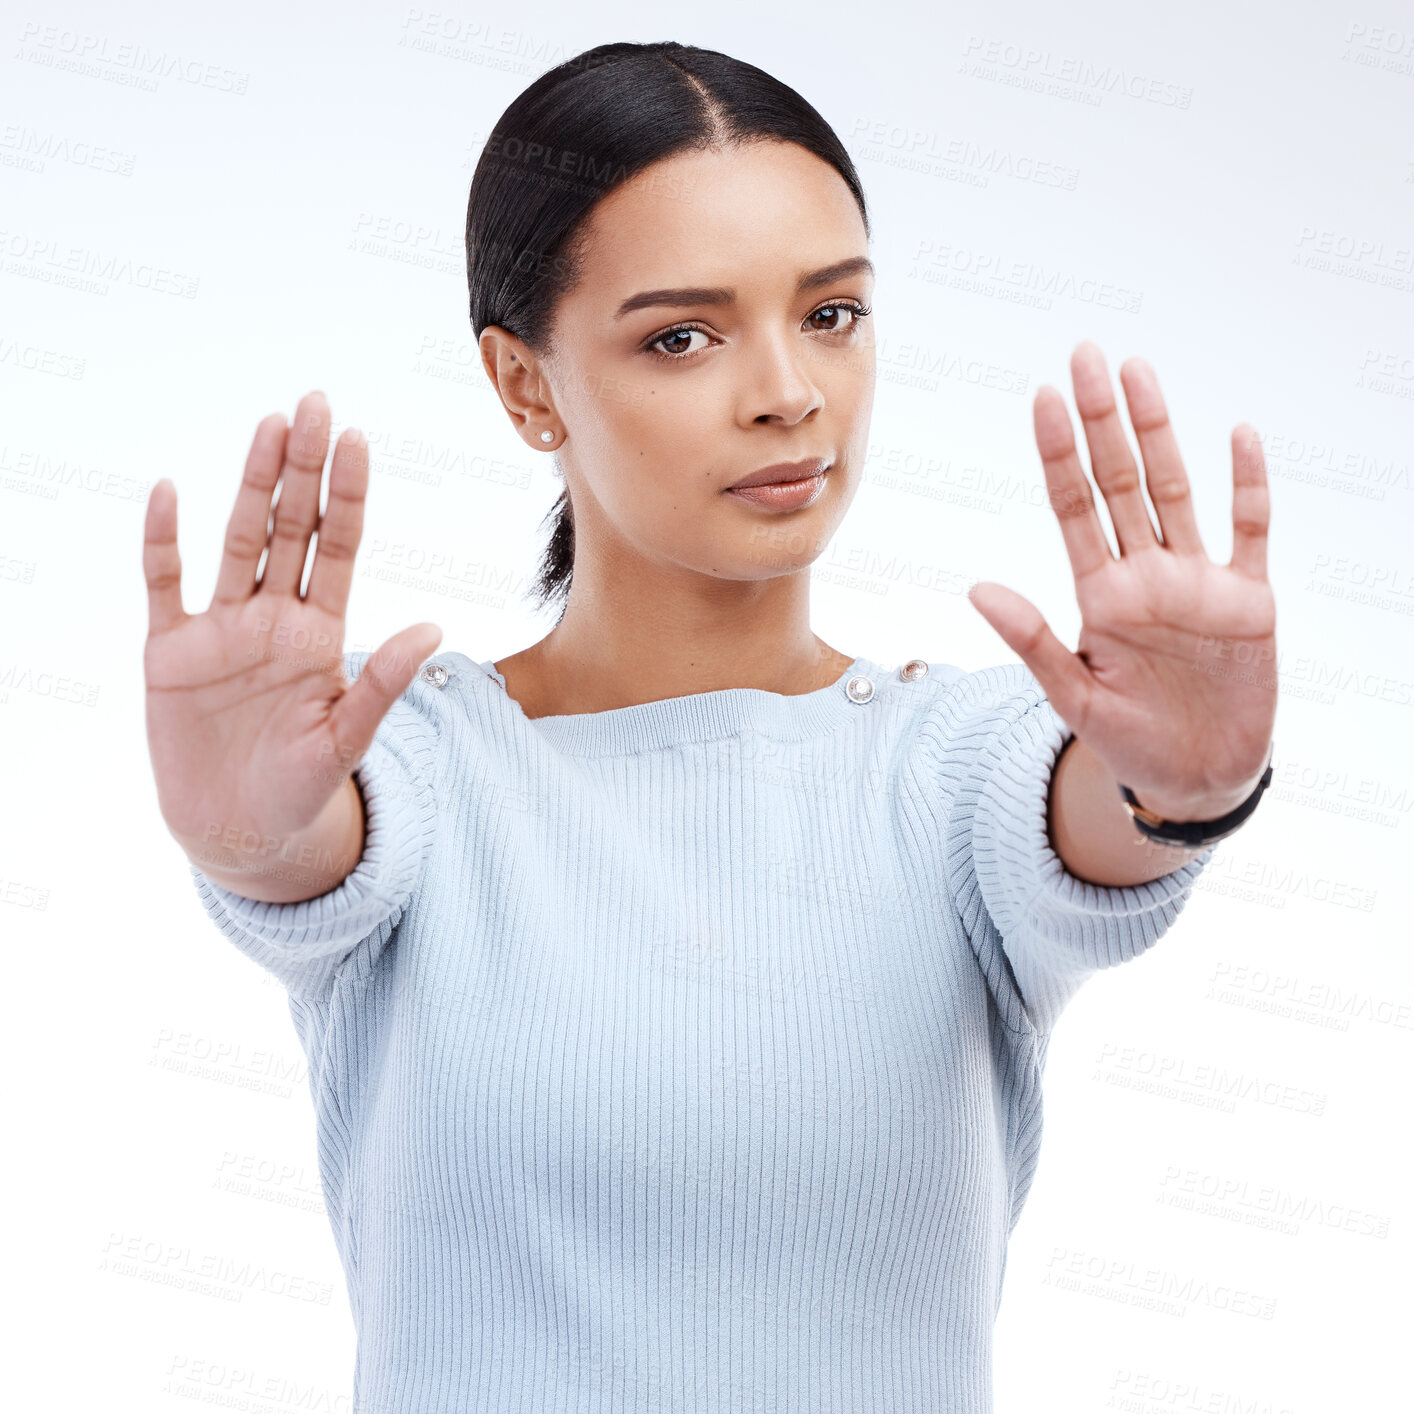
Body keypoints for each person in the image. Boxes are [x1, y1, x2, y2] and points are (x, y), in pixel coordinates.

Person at [142, 39, 1277, 1414]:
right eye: (680, 334)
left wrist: (1184, 789)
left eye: (831, 314)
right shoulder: (415, 763)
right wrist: (249, 840)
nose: (787, 392)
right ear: (524, 385)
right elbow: (310, 850)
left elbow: (1095, 820)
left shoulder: (953, 763)